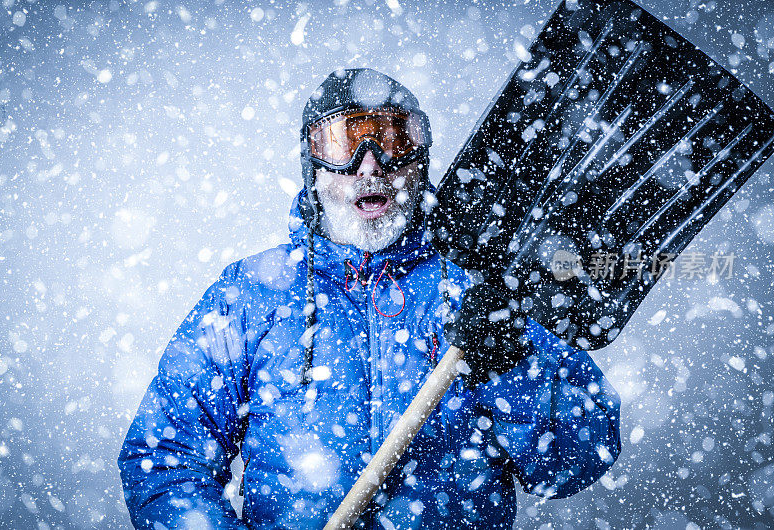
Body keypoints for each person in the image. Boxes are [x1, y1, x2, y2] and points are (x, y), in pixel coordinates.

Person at [118, 68, 621, 529]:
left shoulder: (480, 294)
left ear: (419, 161)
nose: (369, 165)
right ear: (312, 169)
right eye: (341, 142)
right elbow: (164, 458)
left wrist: (513, 368)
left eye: (392, 138)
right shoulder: (252, 295)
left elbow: (577, 462)